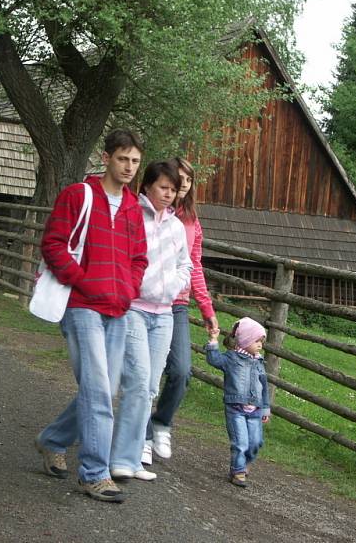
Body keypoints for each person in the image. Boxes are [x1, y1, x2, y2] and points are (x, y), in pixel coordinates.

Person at [34, 129, 148, 503]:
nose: (129, 167)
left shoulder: (133, 207)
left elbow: (138, 259)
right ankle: (95, 473)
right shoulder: (77, 195)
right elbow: (53, 243)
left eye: (134, 161)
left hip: (119, 309)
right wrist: (81, 281)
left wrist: (128, 290)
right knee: (99, 390)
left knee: (103, 390)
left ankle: (52, 439)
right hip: (81, 306)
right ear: (107, 158)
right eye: (122, 159)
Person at [110, 160, 192, 482]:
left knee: (149, 388)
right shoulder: (133, 216)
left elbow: (186, 265)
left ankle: (131, 459)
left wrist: (172, 287)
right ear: (147, 186)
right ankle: (119, 457)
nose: (169, 194)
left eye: (173, 189)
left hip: (164, 315)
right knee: (139, 381)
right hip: (134, 310)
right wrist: (134, 287)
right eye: (163, 187)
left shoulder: (175, 226)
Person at [145, 157, 219, 464]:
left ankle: (160, 423)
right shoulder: (155, 209)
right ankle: (142, 438)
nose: (184, 183)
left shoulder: (191, 223)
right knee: (145, 374)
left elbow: (195, 266)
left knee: (181, 371)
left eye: (189, 178)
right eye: (180, 177)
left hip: (177, 303)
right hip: (145, 299)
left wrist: (207, 309)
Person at [205, 317, 270, 488]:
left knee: (256, 442)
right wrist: (213, 341)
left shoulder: (259, 362)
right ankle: (238, 471)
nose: (260, 345)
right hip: (236, 409)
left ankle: (245, 463)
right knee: (240, 442)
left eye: (261, 342)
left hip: (255, 410)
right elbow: (214, 360)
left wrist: (266, 407)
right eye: (257, 341)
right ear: (245, 340)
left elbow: (263, 385)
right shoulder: (231, 359)